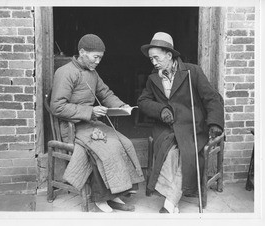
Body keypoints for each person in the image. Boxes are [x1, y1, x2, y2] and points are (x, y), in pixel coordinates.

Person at [50, 34, 144, 212]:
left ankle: (117, 193)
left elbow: (105, 93)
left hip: (89, 123)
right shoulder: (65, 73)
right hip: (72, 126)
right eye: (96, 57)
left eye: (101, 57)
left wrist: (121, 106)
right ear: (82, 52)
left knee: (124, 142)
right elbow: (57, 107)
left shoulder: (93, 73)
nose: (98, 61)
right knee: (105, 149)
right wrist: (90, 111)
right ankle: (101, 198)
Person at [137, 32, 224, 213]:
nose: (153, 62)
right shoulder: (153, 78)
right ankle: (171, 199)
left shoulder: (193, 71)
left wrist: (214, 123)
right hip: (166, 128)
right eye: (151, 59)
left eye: (156, 58)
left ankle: (170, 201)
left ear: (169, 55)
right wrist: (160, 110)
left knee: (186, 152)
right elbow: (142, 102)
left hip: (192, 126)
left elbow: (212, 98)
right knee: (170, 153)